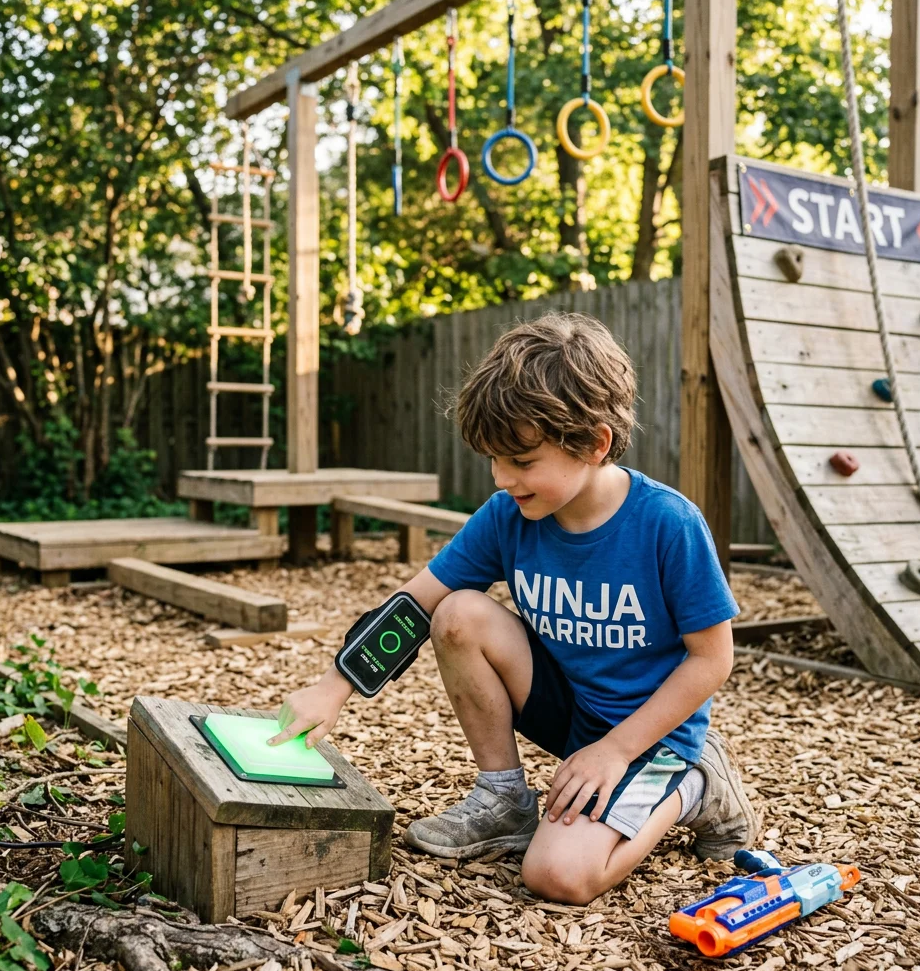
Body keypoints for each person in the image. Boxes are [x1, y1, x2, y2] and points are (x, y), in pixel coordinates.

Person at [271, 312, 758, 906]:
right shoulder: (507, 517)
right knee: (458, 613)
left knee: (556, 876)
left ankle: (698, 786)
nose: (503, 479)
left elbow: (712, 661)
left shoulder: (667, 524)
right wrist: (333, 686)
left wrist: (615, 751)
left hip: (651, 736)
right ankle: (503, 799)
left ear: (595, 443)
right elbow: (415, 605)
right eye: (494, 461)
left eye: (522, 462)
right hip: (573, 714)